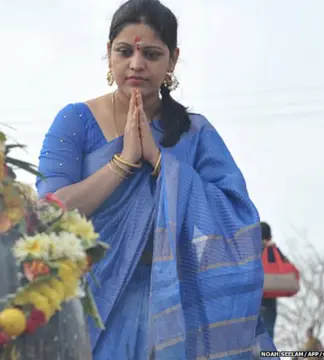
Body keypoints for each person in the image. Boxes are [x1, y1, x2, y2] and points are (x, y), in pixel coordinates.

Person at [35, 0, 276, 358]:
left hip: (175, 308)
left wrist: (162, 162)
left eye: (150, 54)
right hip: (87, 305)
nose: (136, 64)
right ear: (108, 54)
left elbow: (237, 218)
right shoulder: (75, 121)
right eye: (124, 52)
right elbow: (49, 213)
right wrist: (124, 162)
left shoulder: (196, 133)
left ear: (172, 60)